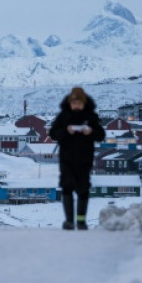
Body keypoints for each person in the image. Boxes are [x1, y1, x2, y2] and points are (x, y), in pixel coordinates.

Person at [49, 87, 105, 230]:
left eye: (79, 103)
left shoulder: (91, 117)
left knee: (83, 189)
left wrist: (91, 131)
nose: (76, 106)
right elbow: (53, 134)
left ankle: (81, 221)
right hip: (66, 159)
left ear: (84, 103)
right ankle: (69, 221)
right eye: (74, 103)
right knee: (67, 187)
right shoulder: (63, 116)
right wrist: (66, 131)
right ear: (69, 103)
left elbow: (101, 135)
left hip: (85, 159)